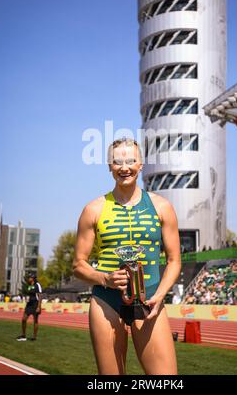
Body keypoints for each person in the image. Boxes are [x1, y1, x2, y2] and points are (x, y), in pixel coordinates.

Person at [73, 138, 181, 375]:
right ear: (109, 166)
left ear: (141, 164)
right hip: (106, 303)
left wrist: (160, 295)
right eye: (117, 161)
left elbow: (174, 261)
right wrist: (105, 279)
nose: (125, 167)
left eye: (131, 160)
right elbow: (78, 265)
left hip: (150, 301)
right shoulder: (94, 209)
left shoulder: (162, 207)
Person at [16, 273, 42, 341]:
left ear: (33, 278)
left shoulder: (37, 285)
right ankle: (23, 335)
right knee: (24, 319)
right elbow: (28, 295)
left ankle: (34, 337)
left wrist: (39, 307)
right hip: (29, 305)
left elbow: (40, 296)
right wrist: (27, 299)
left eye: (29, 277)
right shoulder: (29, 285)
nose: (28, 279)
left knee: (35, 321)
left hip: (35, 304)